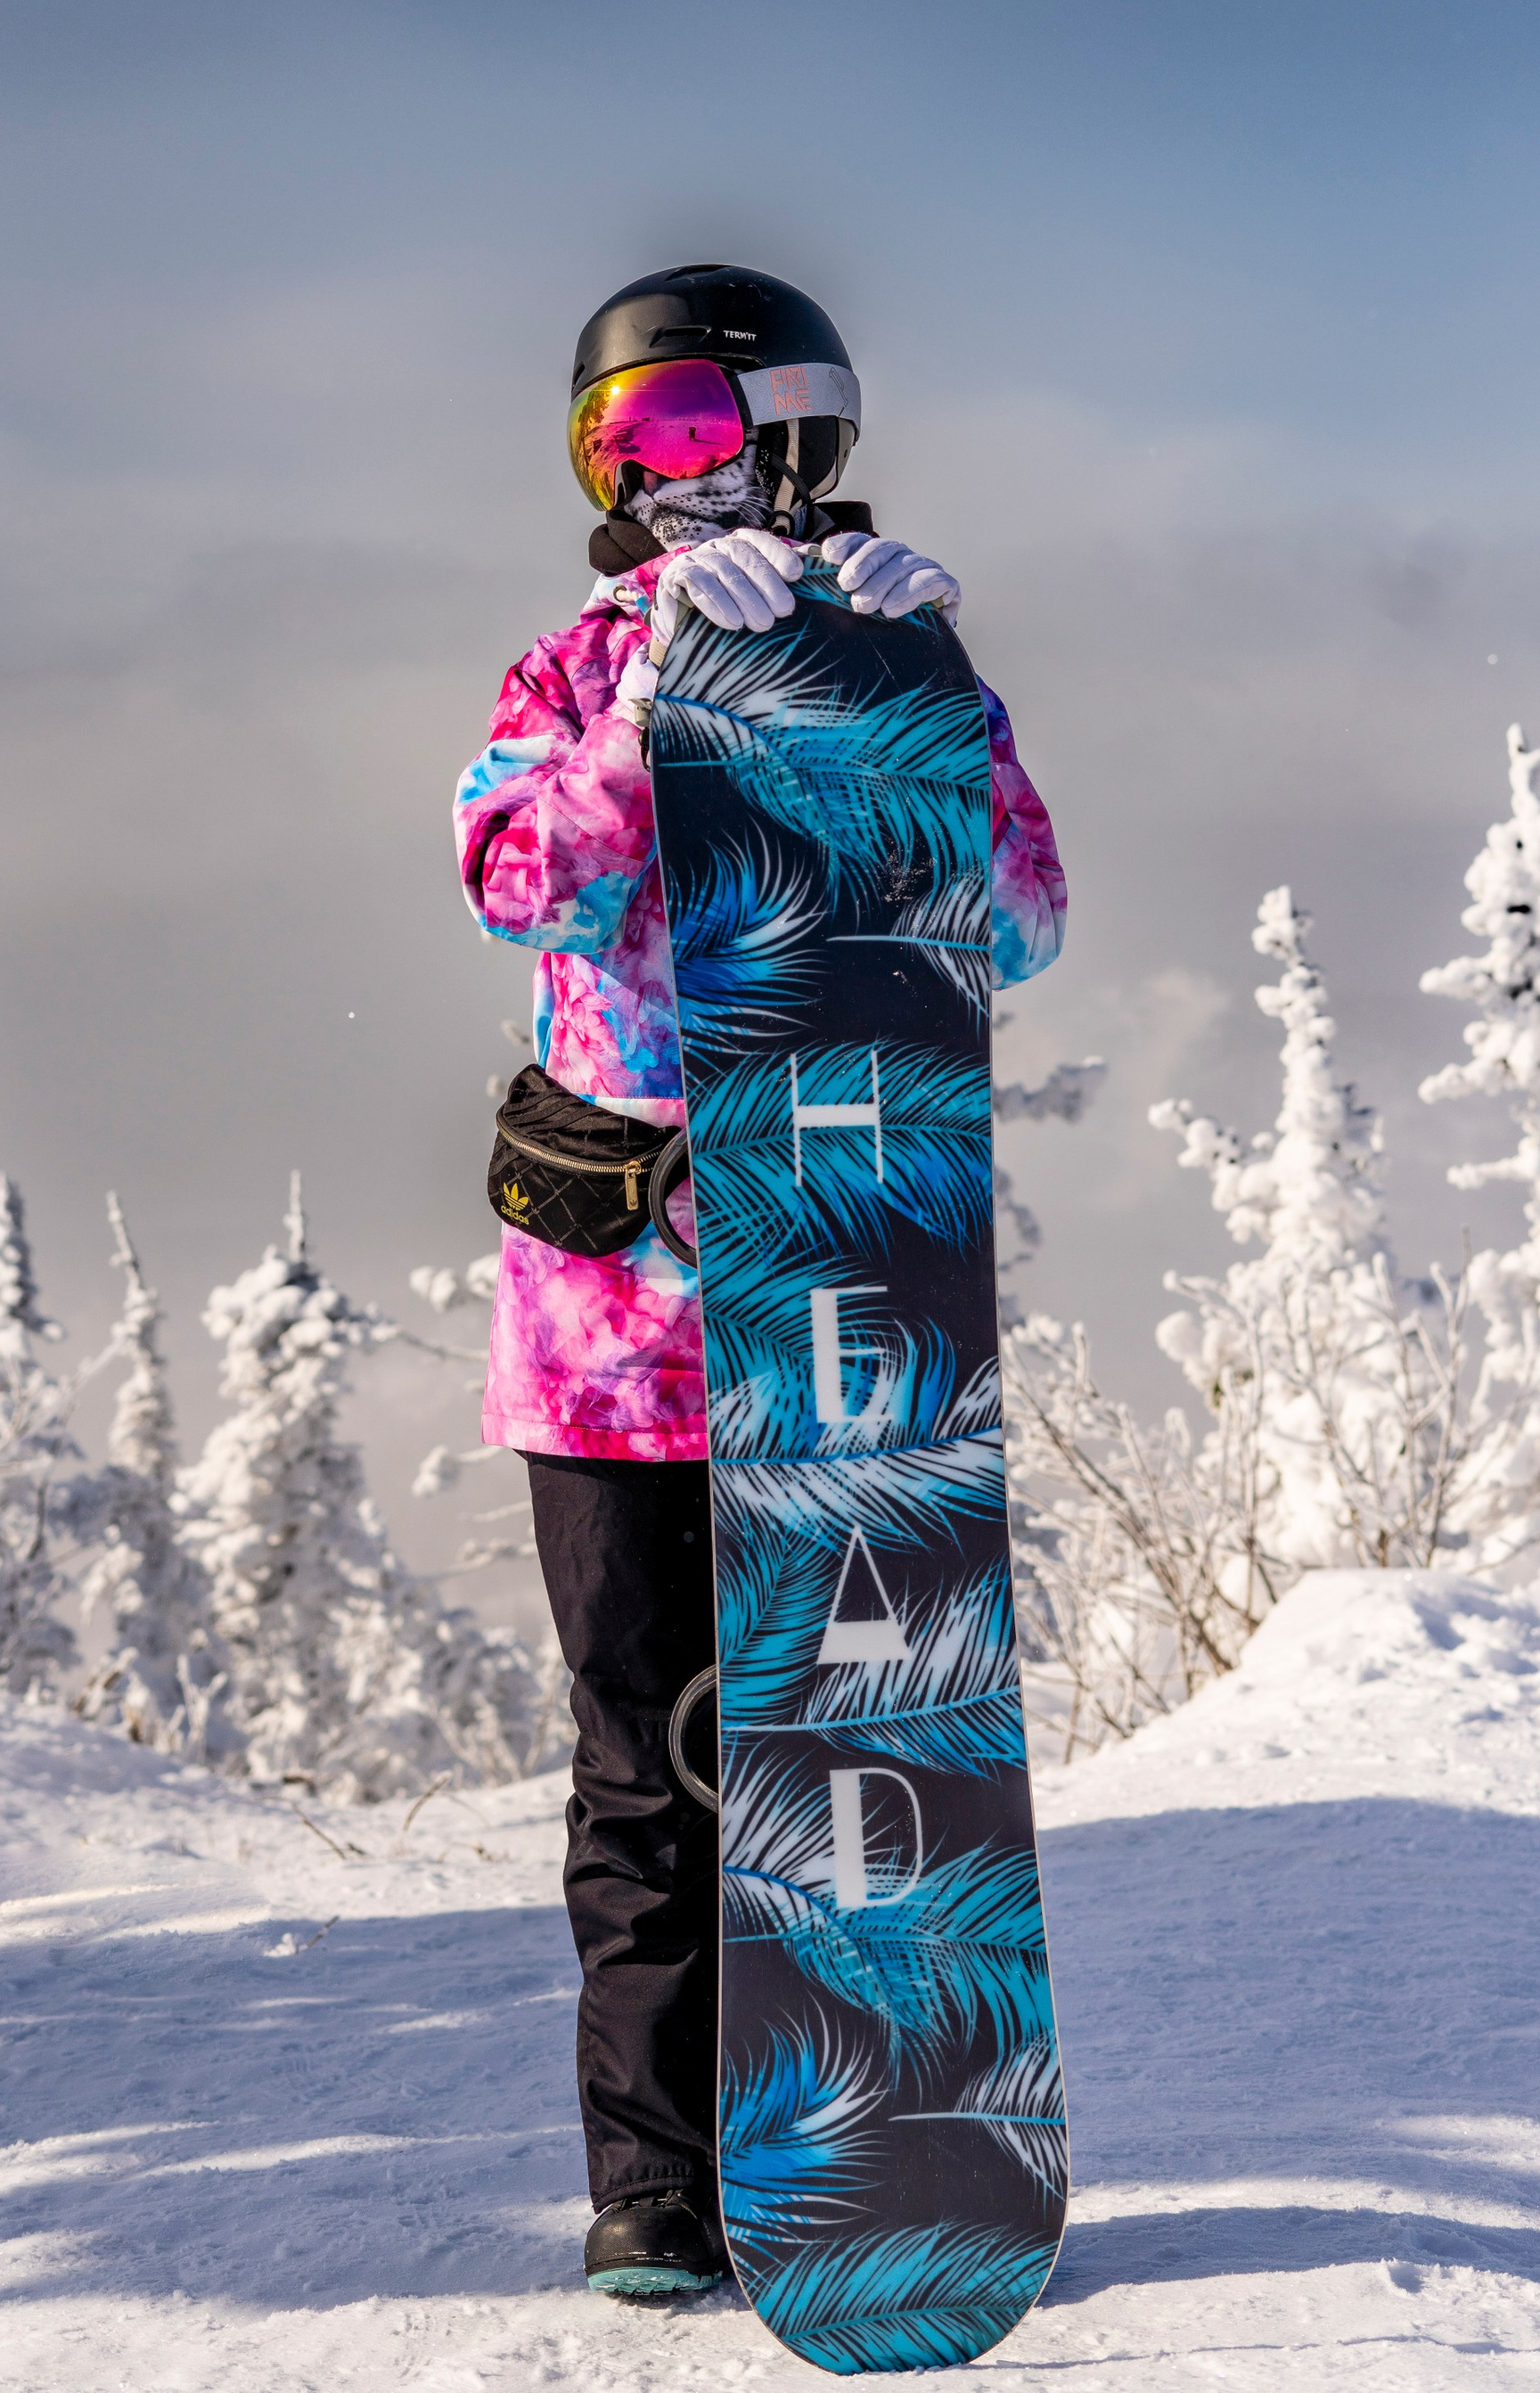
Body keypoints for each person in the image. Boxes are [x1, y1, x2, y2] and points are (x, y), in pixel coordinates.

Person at [453, 260, 1067, 2307]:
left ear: (803, 438)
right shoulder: (569, 666)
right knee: (646, 1772)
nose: (656, 483)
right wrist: (652, 719)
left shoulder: (884, 661)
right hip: (608, 1349)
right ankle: (650, 2189)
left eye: (696, 435)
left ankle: (846, 2145)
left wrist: (931, 710)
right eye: (618, 446)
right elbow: (519, 881)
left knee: (852, 1739)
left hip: (829, 1332)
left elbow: (1027, 918)